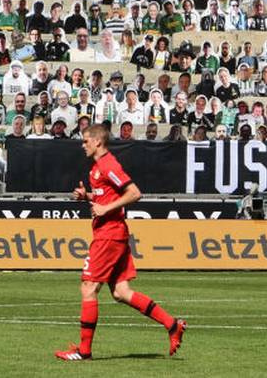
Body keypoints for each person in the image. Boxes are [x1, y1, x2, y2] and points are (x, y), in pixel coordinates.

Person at [55, 124, 186, 360]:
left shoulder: (108, 164)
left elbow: (134, 192)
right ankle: (172, 324)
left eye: (85, 141)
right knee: (121, 292)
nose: (82, 145)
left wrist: (105, 208)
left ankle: (84, 351)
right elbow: (109, 194)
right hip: (112, 233)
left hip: (109, 234)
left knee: (88, 288)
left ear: (97, 142)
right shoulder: (97, 168)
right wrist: (88, 197)